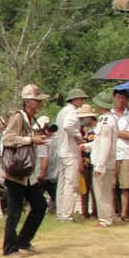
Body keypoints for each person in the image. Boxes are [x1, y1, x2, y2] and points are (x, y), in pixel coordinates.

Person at [1, 85, 52, 255]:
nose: (40, 104)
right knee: (14, 212)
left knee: (40, 205)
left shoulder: (31, 119)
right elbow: (8, 139)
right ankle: (9, 248)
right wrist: (30, 140)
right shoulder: (18, 117)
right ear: (28, 101)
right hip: (16, 173)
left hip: (27, 174)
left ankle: (23, 240)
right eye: (37, 101)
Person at [54, 88, 88, 221]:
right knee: (71, 183)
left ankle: (60, 212)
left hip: (61, 150)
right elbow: (68, 126)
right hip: (70, 151)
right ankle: (66, 214)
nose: (82, 101)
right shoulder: (72, 112)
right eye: (80, 99)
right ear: (74, 100)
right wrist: (79, 137)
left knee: (62, 183)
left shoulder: (62, 112)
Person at [88, 93, 118, 228]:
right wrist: (88, 146)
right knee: (102, 191)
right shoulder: (105, 119)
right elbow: (99, 142)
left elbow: (105, 144)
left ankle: (105, 219)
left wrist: (100, 166)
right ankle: (106, 217)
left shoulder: (106, 121)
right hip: (103, 161)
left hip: (104, 163)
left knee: (102, 192)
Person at [111, 90, 129, 221]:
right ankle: (112, 211)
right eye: (118, 97)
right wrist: (120, 132)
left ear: (127, 100)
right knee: (111, 185)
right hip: (111, 153)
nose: (120, 100)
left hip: (126, 153)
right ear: (114, 98)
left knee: (125, 185)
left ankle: (124, 213)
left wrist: (114, 131)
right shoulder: (107, 115)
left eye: (123, 98)